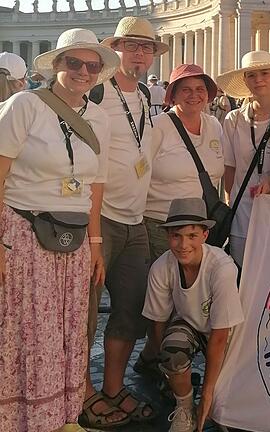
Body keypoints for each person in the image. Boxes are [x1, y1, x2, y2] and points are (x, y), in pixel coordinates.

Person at [0, 28, 116, 432]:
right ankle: (19, 419)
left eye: (92, 65)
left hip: (75, 237)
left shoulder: (99, 118)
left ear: (100, 72)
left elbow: (95, 187)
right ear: (57, 65)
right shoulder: (24, 105)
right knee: (27, 331)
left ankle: (61, 417)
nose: (83, 71)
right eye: (74, 63)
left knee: (68, 331)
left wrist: (97, 243)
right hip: (24, 233)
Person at [82, 16, 167, 428]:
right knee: (83, 315)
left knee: (130, 311)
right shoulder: (96, 93)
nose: (138, 53)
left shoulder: (149, 96)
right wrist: (92, 229)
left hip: (134, 219)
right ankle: (80, 393)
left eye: (145, 47)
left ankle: (113, 389)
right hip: (97, 221)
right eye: (130, 46)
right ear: (114, 50)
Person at [142, 198, 244, 432]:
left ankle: (216, 397)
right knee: (172, 354)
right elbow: (157, 324)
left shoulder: (222, 267)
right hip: (189, 325)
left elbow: (219, 336)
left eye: (191, 236)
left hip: (228, 334)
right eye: (176, 236)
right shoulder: (161, 267)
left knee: (223, 415)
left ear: (205, 235)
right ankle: (185, 407)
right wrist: (168, 370)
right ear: (168, 236)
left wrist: (208, 393)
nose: (183, 244)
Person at [217, 50, 270, 266]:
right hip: (242, 211)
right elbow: (230, 168)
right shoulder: (233, 119)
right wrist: (231, 200)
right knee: (242, 275)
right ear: (245, 81)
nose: (259, 80)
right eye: (252, 75)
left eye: (264, 73)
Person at [144, 64, 223, 261]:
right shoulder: (156, 126)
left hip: (201, 230)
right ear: (173, 95)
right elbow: (138, 175)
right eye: (186, 90)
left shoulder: (214, 125)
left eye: (200, 89)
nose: (193, 95)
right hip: (162, 227)